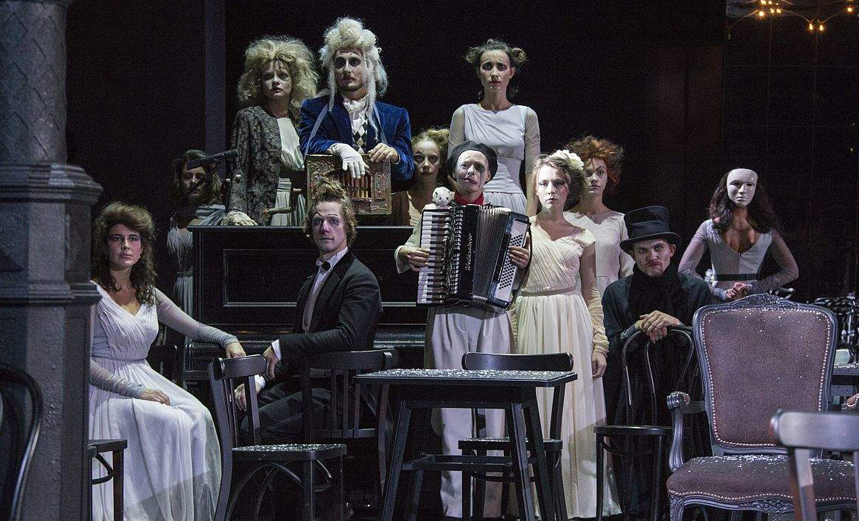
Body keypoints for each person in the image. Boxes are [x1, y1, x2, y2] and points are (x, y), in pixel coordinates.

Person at [395, 141, 530, 519]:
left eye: (479, 167)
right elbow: (405, 251)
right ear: (452, 173)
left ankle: (489, 509)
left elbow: (519, 281)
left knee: (495, 416)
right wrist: (406, 254)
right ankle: (455, 510)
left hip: (491, 318)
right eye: (465, 166)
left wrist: (521, 263)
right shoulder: (435, 213)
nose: (471, 172)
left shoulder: (508, 219)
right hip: (447, 314)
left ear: (489, 176)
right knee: (451, 414)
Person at [89, 202, 245, 521]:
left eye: (133, 239)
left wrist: (227, 339)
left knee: (199, 416)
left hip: (143, 376)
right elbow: (83, 363)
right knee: (172, 422)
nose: (126, 246)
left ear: (143, 247)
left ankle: (183, 512)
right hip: (108, 391)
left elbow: (193, 327)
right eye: (117, 238)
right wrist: (135, 391)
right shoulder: (92, 293)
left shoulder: (147, 292)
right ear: (105, 246)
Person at [511, 150, 621, 519]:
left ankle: (578, 502)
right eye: (543, 183)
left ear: (568, 188)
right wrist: (518, 269)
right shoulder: (520, 230)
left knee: (575, 411)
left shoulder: (583, 236)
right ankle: (535, 503)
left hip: (571, 320)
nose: (551, 190)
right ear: (534, 188)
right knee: (535, 410)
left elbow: (591, 292)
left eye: (558, 183)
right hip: (532, 316)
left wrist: (599, 344)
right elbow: (505, 288)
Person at [234, 178, 383, 442]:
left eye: (333, 221)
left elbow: (347, 337)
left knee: (253, 427)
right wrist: (260, 379)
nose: (324, 228)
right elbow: (297, 349)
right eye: (317, 221)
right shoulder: (311, 281)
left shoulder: (360, 278)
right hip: (305, 384)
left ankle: (298, 471)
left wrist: (283, 345)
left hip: (340, 394)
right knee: (235, 410)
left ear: (348, 226)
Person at [602, 206, 711, 514]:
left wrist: (678, 325)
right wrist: (636, 328)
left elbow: (711, 346)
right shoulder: (617, 293)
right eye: (643, 250)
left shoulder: (695, 290)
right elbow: (612, 347)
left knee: (688, 484)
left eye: (658, 248)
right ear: (633, 255)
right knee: (639, 490)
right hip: (635, 399)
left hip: (683, 396)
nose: (652, 256)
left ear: (671, 250)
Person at [299, 17, 414, 191]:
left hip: (375, 204)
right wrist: (338, 148)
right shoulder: (314, 109)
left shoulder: (395, 116)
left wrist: (395, 155)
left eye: (354, 61)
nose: (346, 69)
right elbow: (308, 146)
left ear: (369, 66)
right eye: (340, 62)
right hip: (329, 202)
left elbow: (407, 170)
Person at [225, 36, 319, 226]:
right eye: (268, 76)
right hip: (269, 203)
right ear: (259, 82)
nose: (275, 81)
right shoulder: (250, 117)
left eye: (283, 76)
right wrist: (236, 209)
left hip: (303, 203)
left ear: (294, 81)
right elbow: (239, 168)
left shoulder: (303, 121)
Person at [448, 39, 540, 216]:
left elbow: (532, 173)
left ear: (511, 72)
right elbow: (453, 170)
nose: (494, 73)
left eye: (501, 67)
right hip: (473, 202)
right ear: (478, 72)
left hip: (514, 201)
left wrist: (531, 217)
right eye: (487, 66)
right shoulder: (463, 113)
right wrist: (468, 202)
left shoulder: (527, 115)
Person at [679, 168, 799, 301]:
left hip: (728, 301)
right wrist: (752, 288)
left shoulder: (767, 231)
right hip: (735, 301)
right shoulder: (710, 228)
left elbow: (792, 271)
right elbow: (685, 269)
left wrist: (721, 292)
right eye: (736, 184)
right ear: (725, 188)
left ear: (756, 190)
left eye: (749, 184)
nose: (743, 190)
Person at [565, 135, 634, 294]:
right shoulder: (564, 219)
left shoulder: (620, 221)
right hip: (572, 297)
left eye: (600, 172)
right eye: (588, 173)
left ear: (608, 177)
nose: (594, 179)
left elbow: (628, 271)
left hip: (609, 297)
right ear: (577, 177)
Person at [166, 149, 226, 319]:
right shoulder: (175, 218)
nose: (193, 181)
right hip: (176, 292)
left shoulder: (218, 217)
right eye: (187, 176)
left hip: (202, 293)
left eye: (200, 177)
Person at [390, 127, 450, 225]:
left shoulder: (451, 199)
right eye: (419, 158)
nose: (426, 164)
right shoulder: (398, 201)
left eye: (432, 158)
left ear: (441, 162)